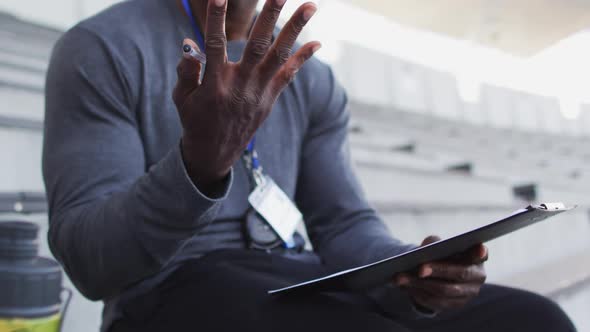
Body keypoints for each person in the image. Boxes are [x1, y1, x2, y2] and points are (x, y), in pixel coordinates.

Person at [42, 0, 576, 331]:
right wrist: (198, 166)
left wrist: (411, 270)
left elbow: (342, 222)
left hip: (297, 282)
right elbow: (91, 262)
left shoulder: (310, 77)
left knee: (535, 320)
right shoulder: (101, 48)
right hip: (168, 292)